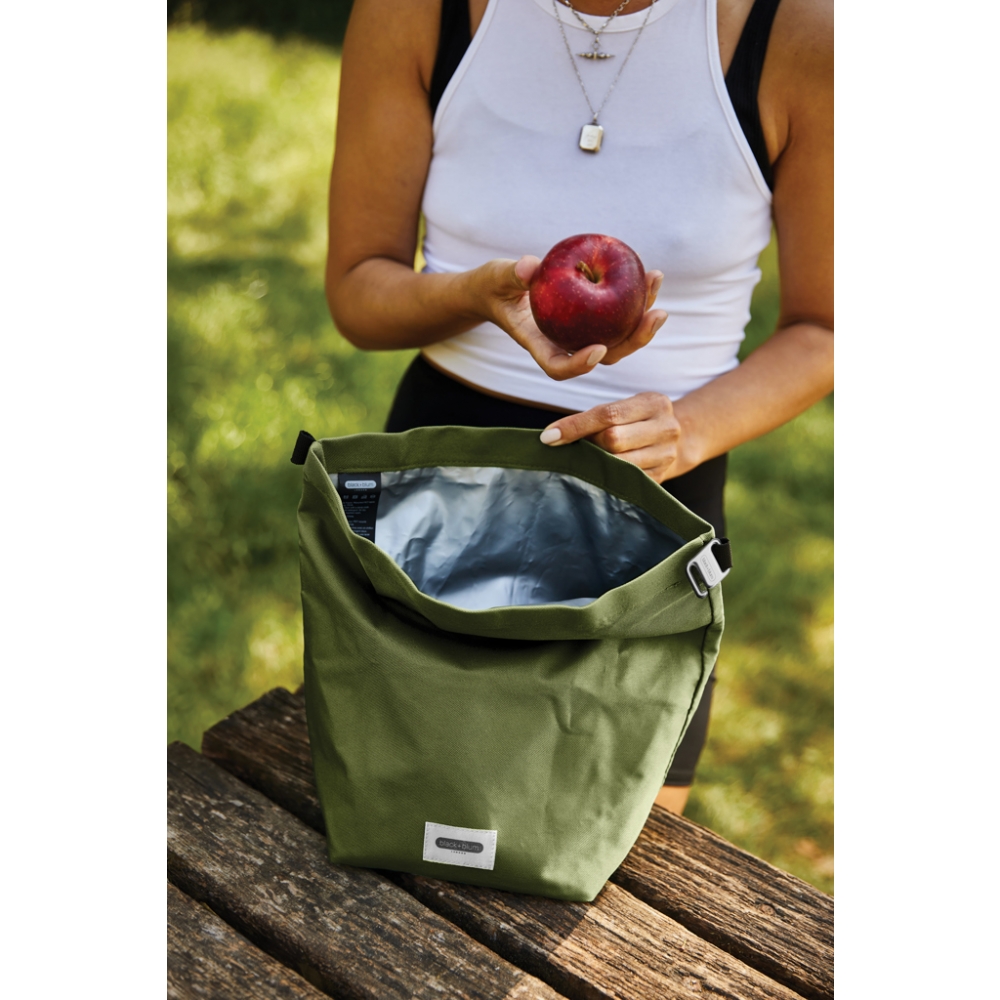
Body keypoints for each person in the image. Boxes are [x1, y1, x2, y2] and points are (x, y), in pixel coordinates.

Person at [324, 0, 833, 815]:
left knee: (607, 857)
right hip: (439, 487)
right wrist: (473, 297)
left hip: (654, 504)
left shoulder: (802, 33)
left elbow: (825, 328)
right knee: (390, 820)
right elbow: (357, 289)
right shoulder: (415, 11)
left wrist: (688, 429)